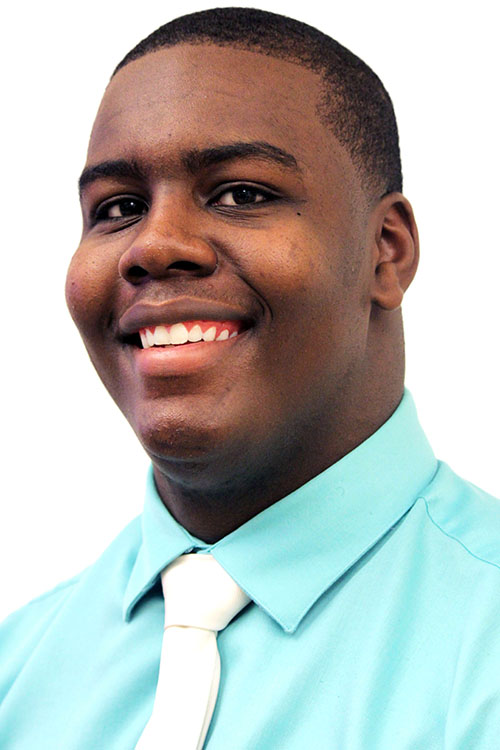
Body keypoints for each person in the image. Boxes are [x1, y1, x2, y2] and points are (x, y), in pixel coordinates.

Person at [1, 7, 499, 748]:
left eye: (241, 194)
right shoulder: (17, 668)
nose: (154, 245)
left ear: (386, 251)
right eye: (119, 208)